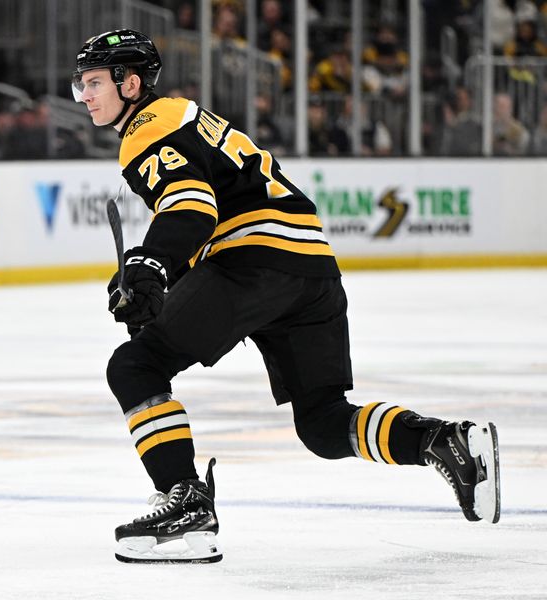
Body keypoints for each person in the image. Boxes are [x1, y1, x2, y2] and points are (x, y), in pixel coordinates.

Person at [72, 29, 501, 564]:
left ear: (130, 83)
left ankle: (185, 506)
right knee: (323, 424)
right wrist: (162, 280)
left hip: (254, 261)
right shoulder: (185, 116)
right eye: (81, 85)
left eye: (93, 83)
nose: (84, 95)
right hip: (310, 267)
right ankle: (444, 441)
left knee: (135, 367)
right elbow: (217, 204)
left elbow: (192, 206)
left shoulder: (146, 127)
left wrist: (150, 265)